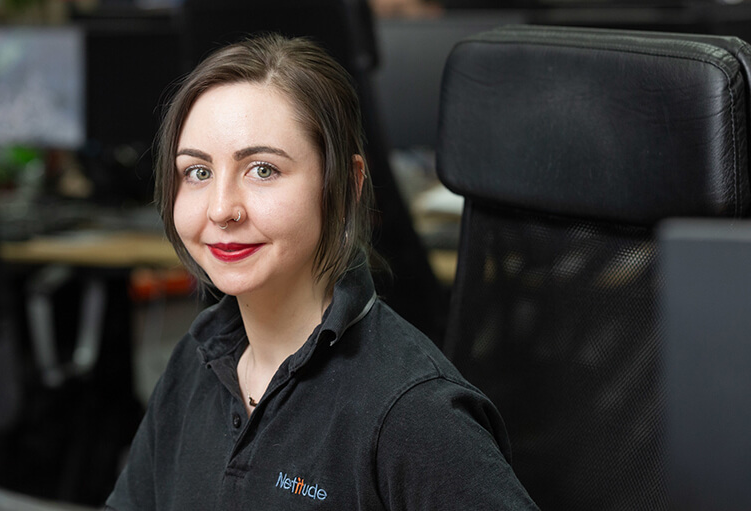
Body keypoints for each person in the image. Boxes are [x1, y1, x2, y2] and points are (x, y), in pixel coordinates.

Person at [105, 34, 537, 510]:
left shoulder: (413, 412)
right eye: (198, 172)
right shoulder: (195, 360)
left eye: (263, 169)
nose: (222, 208)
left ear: (345, 186)